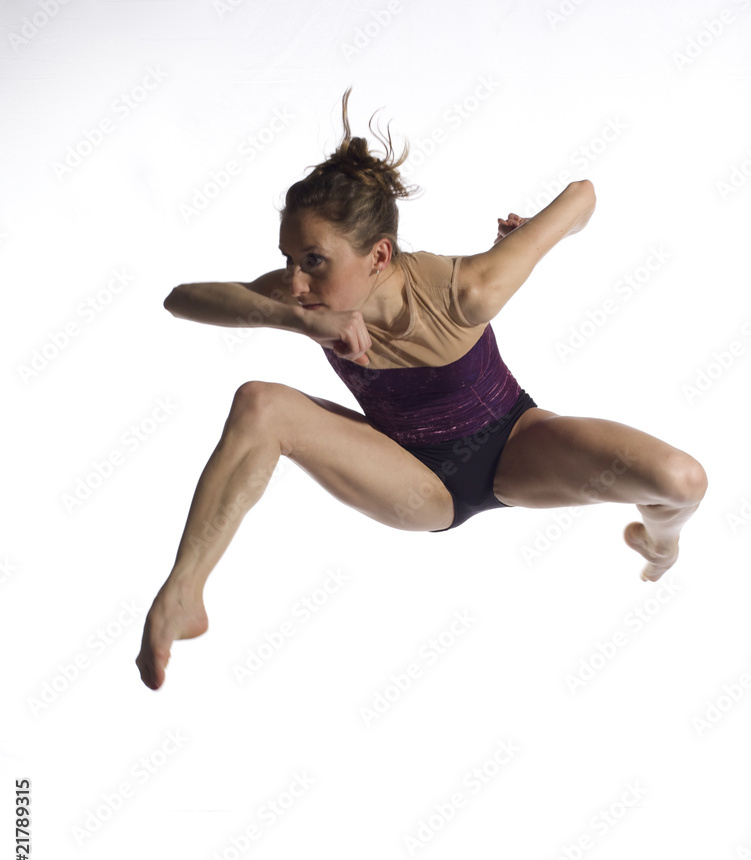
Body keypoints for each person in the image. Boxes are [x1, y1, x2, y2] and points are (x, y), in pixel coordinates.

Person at [135, 88, 707, 691]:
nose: (296, 281)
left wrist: (532, 234)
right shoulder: (301, 299)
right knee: (261, 403)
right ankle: (183, 593)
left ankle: (659, 544)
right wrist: (297, 320)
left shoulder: (470, 289)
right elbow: (181, 300)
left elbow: (582, 196)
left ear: (379, 254)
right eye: (288, 259)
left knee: (682, 481)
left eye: (313, 261)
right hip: (413, 481)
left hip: (517, 447)